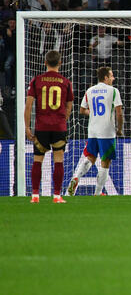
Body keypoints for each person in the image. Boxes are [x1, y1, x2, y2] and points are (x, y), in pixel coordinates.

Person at [24, 50, 74, 203]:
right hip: (59, 127)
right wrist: (63, 119)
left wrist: (27, 127)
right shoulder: (66, 82)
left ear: (45, 63)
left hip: (42, 127)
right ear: (60, 63)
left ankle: (35, 195)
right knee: (58, 160)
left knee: (37, 160)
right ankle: (57, 196)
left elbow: (28, 106)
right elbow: (69, 106)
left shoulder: (36, 80)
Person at [67, 67, 123, 196]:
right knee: (105, 161)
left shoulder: (90, 90)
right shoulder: (113, 91)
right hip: (107, 132)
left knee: (90, 157)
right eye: (112, 76)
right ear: (106, 78)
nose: (113, 78)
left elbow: (82, 110)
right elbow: (119, 113)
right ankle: (97, 194)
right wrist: (119, 129)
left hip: (92, 131)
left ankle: (76, 177)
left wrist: (93, 113)